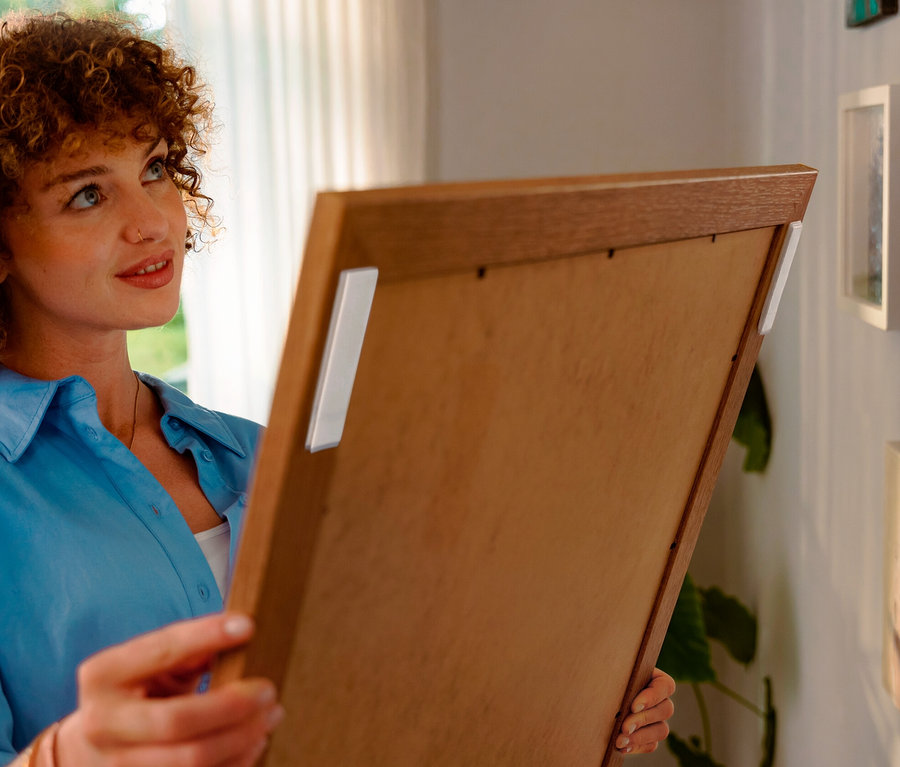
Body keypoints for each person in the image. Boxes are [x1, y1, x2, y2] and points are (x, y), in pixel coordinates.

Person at [0, 11, 674, 766]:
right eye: (88, 195)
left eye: (154, 168)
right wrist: (64, 756)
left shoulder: (265, 457)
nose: (152, 222)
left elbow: (397, 698)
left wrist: (586, 701)